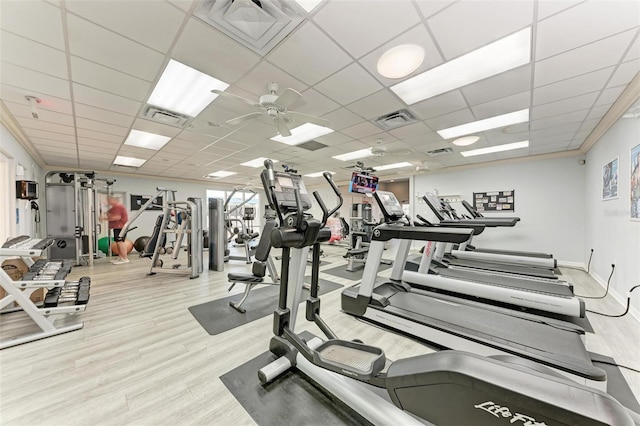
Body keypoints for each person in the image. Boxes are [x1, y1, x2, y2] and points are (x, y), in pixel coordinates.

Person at [104, 196, 129, 264]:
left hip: (120, 227)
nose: (108, 202)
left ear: (114, 200)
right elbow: (109, 212)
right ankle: (121, 257)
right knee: (118, 242)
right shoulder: (115, 207)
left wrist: (104, 218)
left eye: (109, 201)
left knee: (120, 242)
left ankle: (124, 258)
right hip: (117, 227)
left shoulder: (119, 206)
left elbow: (117, 217)